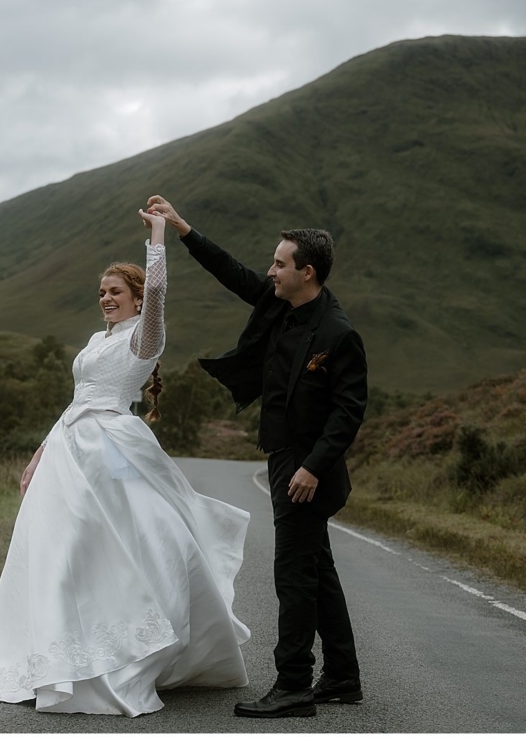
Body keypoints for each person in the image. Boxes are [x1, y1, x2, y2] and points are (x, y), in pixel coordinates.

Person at [0, 208, 251, 717]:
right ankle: (60, 645)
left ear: (133, 297)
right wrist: (40, 453)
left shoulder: (143, 338)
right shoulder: (95, 341)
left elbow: (157, 295)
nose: (106, 298)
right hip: (68, 446)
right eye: (102, 292)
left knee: (110, 540)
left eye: (115, 291)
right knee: (61, 548)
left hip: (111, 446)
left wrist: (156, 236)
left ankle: (123, 650)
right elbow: (76, 399)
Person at [146, 195, 367, 719]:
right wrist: (182, 229)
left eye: (280, 263)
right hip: (284, 456)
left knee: (293, 573)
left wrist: (313, 467)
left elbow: (348, 411)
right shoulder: (277, 303)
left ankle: (293, 684)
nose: (270, 270)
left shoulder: (338, 333)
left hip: (308, 468)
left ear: (306, 272)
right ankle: (342, 676)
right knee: (318, 569)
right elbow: (232, 272)